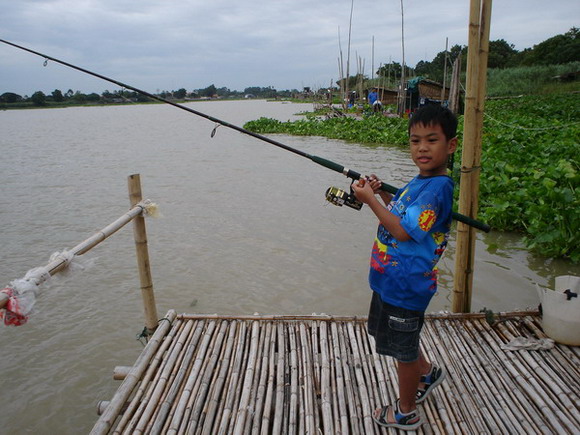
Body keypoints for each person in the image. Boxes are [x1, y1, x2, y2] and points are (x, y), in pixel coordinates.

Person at [351, 104, 458, 430]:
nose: (422, 148)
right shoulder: (419, 181)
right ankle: (427, 374)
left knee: (404, 353)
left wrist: (368, 200)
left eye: (431, 140)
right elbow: (399, 215)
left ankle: (406, 410)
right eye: (415, 141)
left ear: (450, 145)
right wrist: (382, 192)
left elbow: (402, 231)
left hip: (407, 286)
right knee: (401, 342)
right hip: (390, 280)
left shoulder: (438, 188)